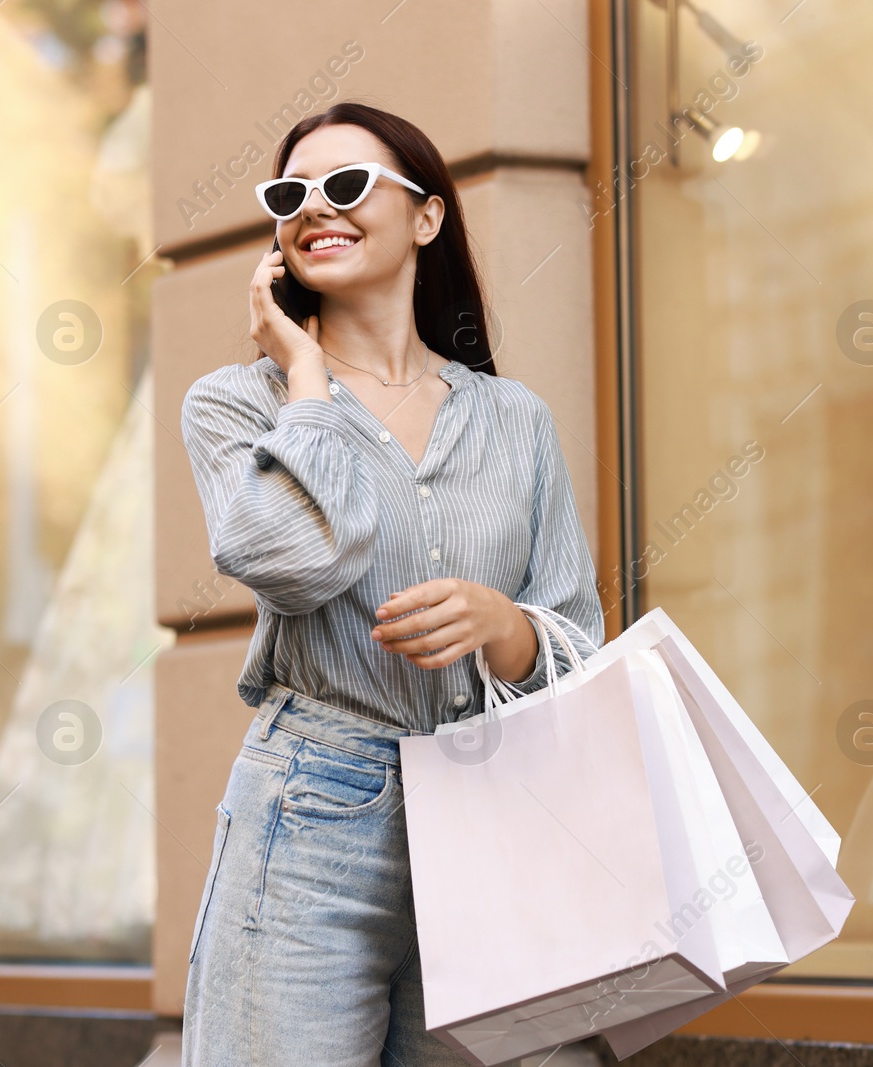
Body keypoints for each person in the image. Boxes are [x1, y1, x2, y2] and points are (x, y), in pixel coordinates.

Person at [178, 102, 604, 1066]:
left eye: (346, 185)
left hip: (486, 808)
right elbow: (295, 560)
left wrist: (505, 625)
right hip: (313, 808)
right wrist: (306, 378)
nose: (314, 209)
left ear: (426, 217)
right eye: (291, 195)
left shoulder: (514, 418)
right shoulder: (237, 403)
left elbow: (580, 639)